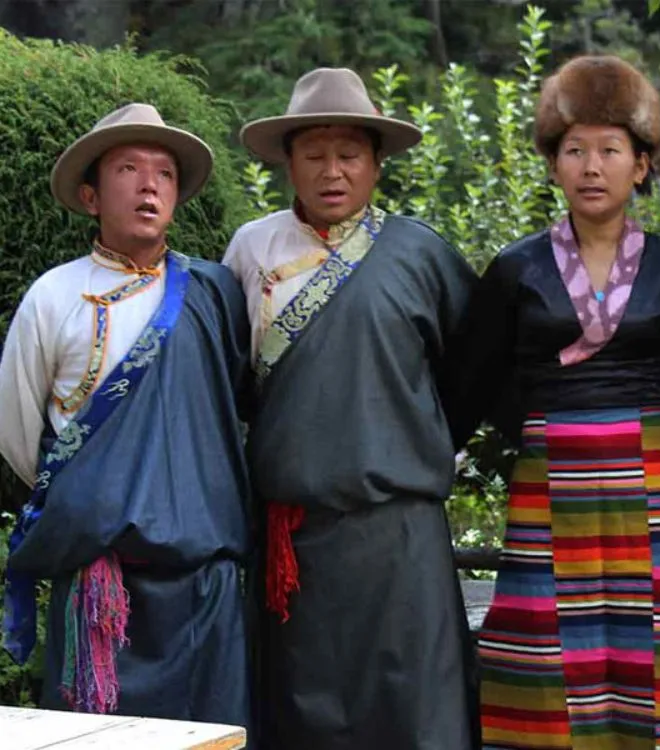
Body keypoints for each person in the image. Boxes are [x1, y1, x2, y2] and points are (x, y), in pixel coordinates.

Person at [445, 55, 660, 748]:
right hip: (550, 489)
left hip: (655, 495)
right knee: (545, 663)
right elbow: (471, 382)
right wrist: (539, 430)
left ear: (642, 164)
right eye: (575, 150)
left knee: (657, 662)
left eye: (609, 149)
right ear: (552, 164)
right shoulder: (516, 269)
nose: (591, 166)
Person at [222, 67, 478, 749]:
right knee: (305, 716)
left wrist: (402, 437)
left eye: (350, 154)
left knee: (417, 709)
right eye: (314, 154)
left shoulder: (421, 253)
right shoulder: (252, 250)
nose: (332, 171)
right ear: (288, 162)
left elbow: (471, 373)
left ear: (376, 163)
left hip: (402, 534)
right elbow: (235, 384)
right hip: (295, 543)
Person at [0, 103, 252, 727]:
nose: (149, 185)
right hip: (98, 578)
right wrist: (96, 500)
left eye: (164, 174)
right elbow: (15, 431)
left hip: (203, 581)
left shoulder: (215, 293)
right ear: (90, 195)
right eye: (128, 169)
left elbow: (236, 411)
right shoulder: (53, 296)